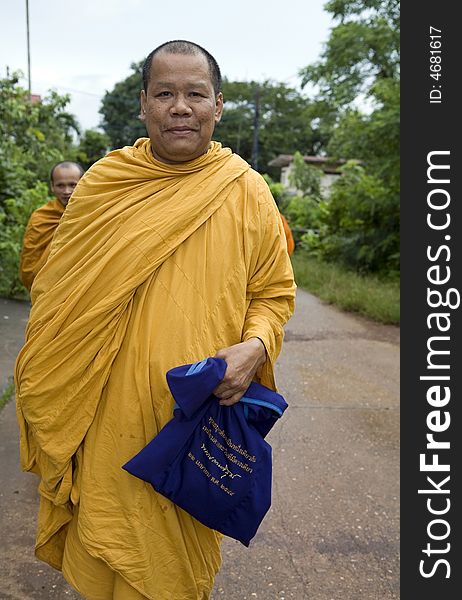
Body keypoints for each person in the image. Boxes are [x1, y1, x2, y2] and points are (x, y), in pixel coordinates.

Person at [15, 40, 296, 600]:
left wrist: (257, 345)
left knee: (171, 574)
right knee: (105, 562)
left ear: (218, 105)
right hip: (108, 422)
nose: (180, 106)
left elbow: (273, 292)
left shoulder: (246, 191)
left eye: (195, 94)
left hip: (190, 426)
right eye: (164, 93)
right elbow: (56, 301)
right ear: (143, 104)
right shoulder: (103, 186)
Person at [19, 161, 84, 291]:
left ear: (83, 183)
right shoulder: (41, 217)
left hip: (80, 287)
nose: (67, 191)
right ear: (52, 186)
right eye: (60, 186)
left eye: (72, 185)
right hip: (46, 289)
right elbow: (30, 261)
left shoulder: (92, 214)